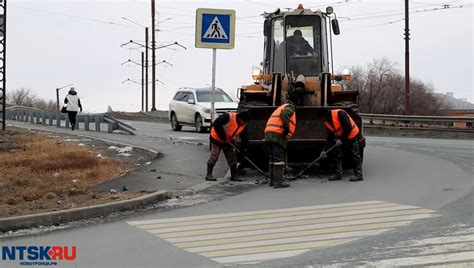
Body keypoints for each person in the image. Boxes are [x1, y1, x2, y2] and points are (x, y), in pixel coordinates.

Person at [319, 108, 363, 182]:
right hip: (342, 137)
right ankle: (338, 174)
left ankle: (359, 175)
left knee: (355, 155)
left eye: (323, 117)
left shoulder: (339, 114)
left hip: (352, 135)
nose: (323, 119)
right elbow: (330, 137)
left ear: (326, 115)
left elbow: (348, 127)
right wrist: (324, 150)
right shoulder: (327, 122)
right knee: (337, 153)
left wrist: (341, 139)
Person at [264, 92, 298, 188]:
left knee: (272, 158)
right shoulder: (290, 107)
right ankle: (278, 182)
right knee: (279, 158)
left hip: (268, 133)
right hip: (277, 134)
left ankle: (272, 181)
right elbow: (284, 115)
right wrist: (286, 128)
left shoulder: (281, 107)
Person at [206, 110, 250, 182]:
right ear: (240, 119)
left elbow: (244, 137)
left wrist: (243, 149)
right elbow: (216, 124)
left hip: (229, 140)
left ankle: (234, 176)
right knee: (214, 155)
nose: (244, 124)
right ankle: (209, 175)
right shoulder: (228, 117)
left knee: (232, 157)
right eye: (244, 122)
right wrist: (223, 137)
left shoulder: (244, 124)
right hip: (217, 137)